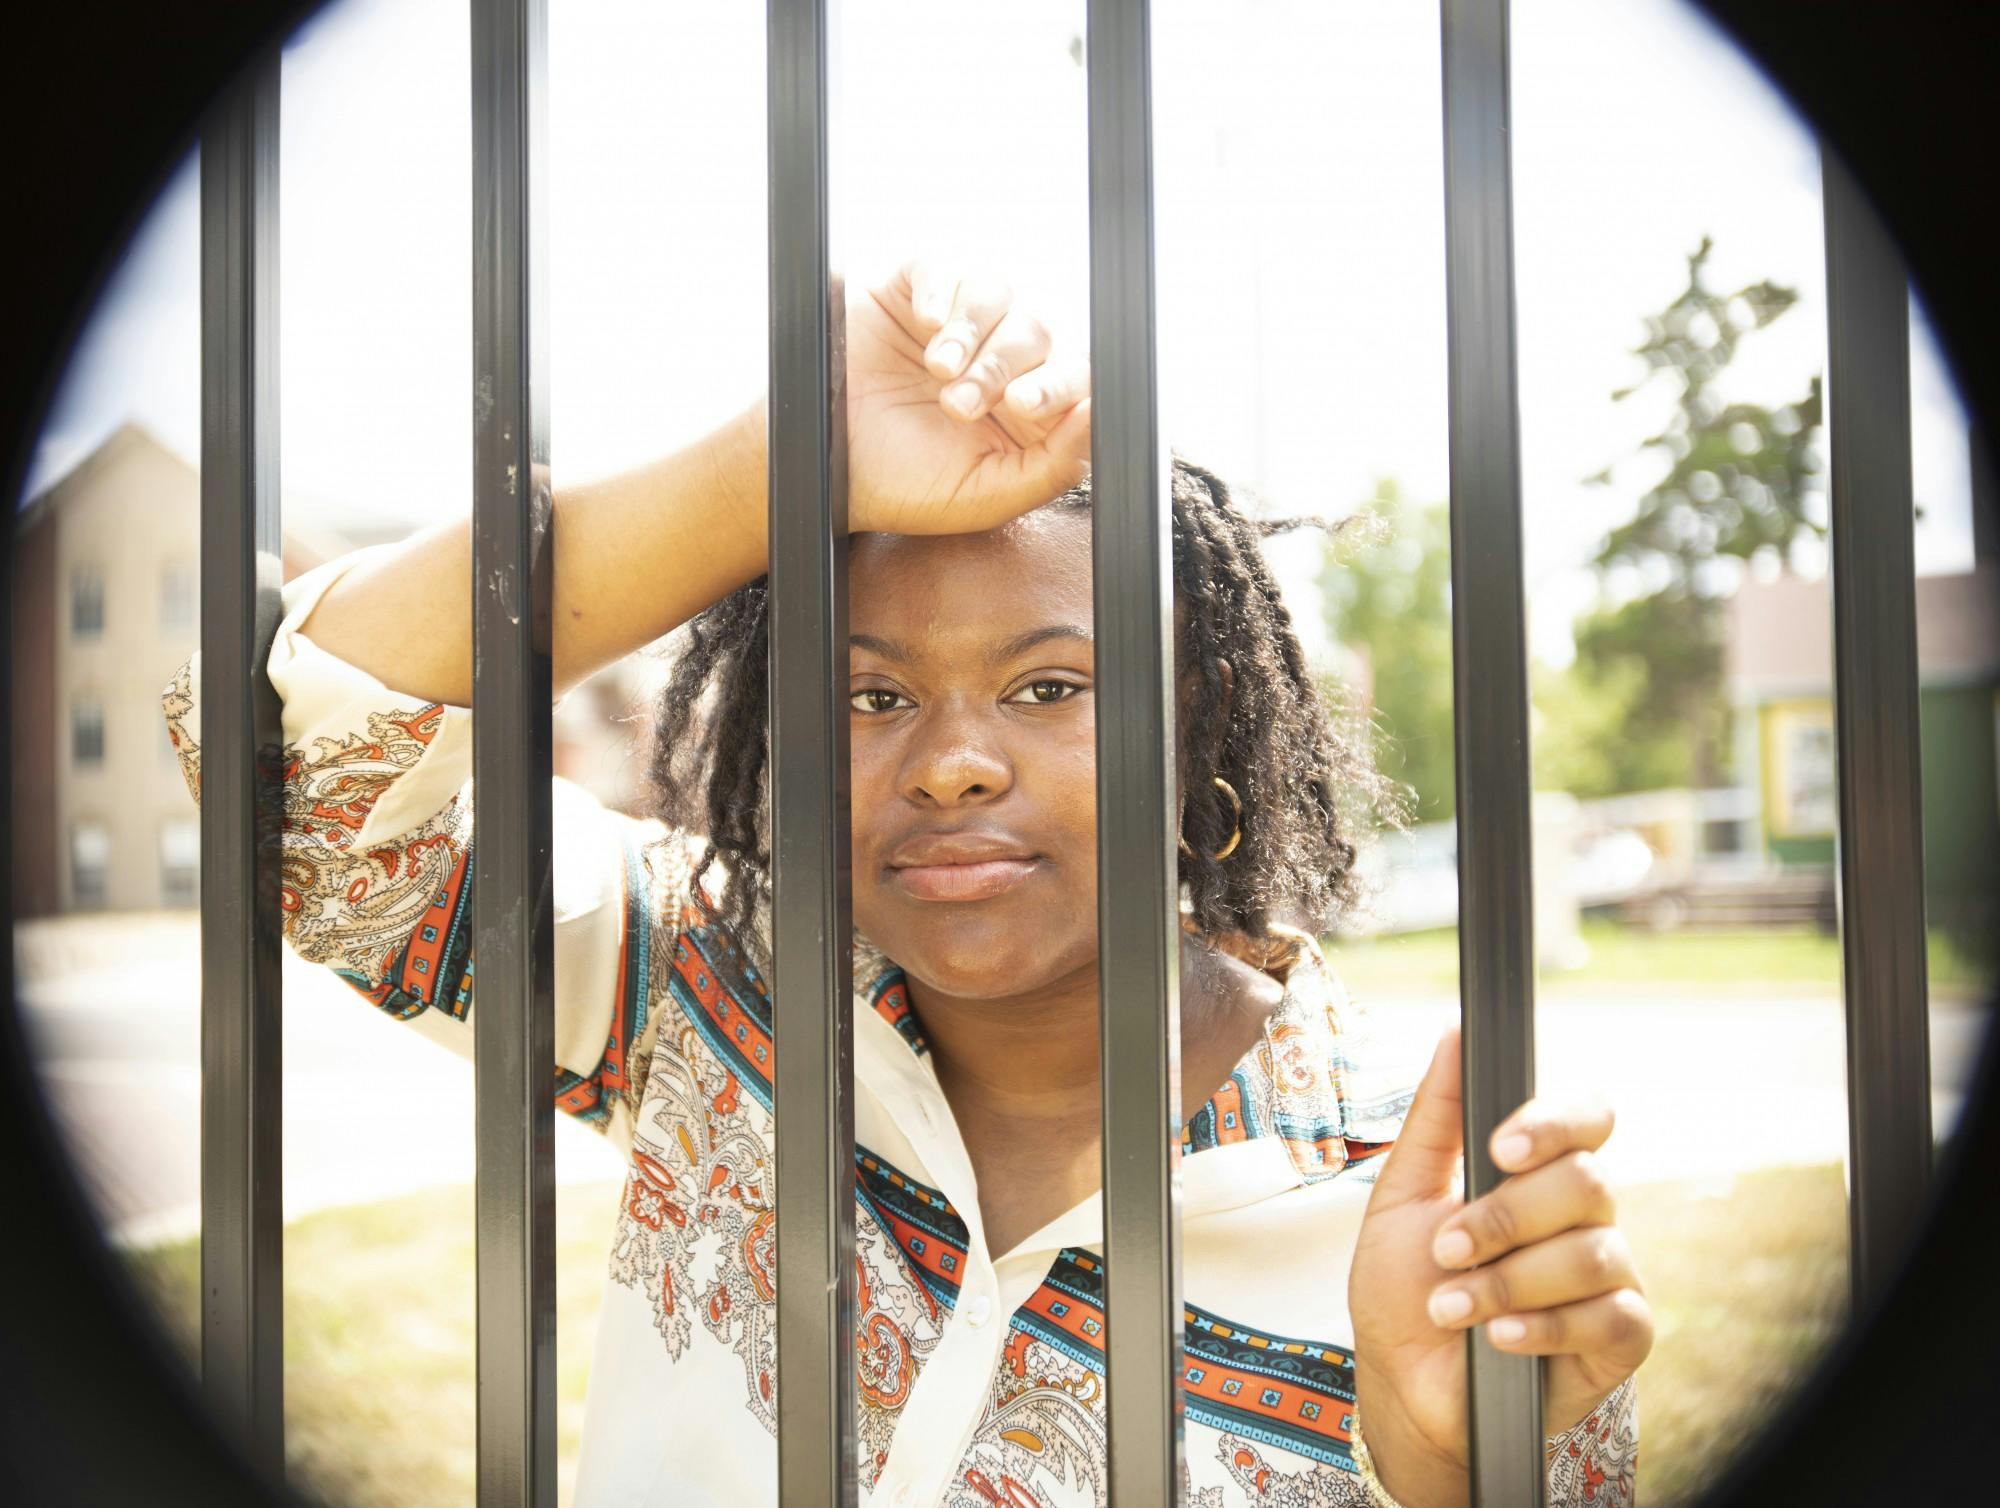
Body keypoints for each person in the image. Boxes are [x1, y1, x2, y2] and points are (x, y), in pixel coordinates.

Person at [162, 263, 1647, 1507]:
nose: (948, 766)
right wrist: (768, 468)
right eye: (871, 702)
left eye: (1050, 687)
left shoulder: (1418, 1197)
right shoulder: (699, 990)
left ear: (1194, 711)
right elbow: (295, 765)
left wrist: (1452, 1471)